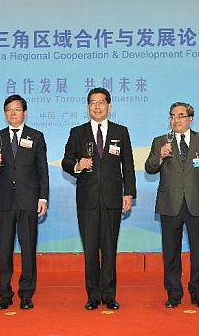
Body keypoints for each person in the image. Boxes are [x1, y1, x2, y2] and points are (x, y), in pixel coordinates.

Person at [62, 87, 136, 310]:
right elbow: (66, 161)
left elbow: (129, 166)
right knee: (91, 248)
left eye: (101, 102)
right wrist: (78, 165)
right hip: (87, 199)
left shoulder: (120, 132)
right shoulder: (78, 132)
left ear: (109, 106)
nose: (97, 106)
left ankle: (109, 294)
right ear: (87, 107)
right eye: (93, 103)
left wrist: (129, 192)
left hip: (113, 198)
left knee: (110, 248)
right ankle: (93, 294)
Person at [144, 101, 199, 309]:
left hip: (197, 203)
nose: (175, 120)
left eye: (180, 116)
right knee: (171, 251)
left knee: (198, 251)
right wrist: (160, 155)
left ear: (190, 118)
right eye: (172, 116)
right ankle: (174, 293)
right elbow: (149, 168)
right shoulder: (160, 141)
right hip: (170, 204)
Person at [0, 94, 49, 310]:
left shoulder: (36, 136)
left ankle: (26, 294)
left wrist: (43, 197)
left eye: (17, 109)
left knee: (28, 249)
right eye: (9, 109)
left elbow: (42, 171)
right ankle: (4, 293)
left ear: (25, 112)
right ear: (4, 114)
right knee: (4, 250)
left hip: (28, 201)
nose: (13, 113)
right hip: (4, 201)